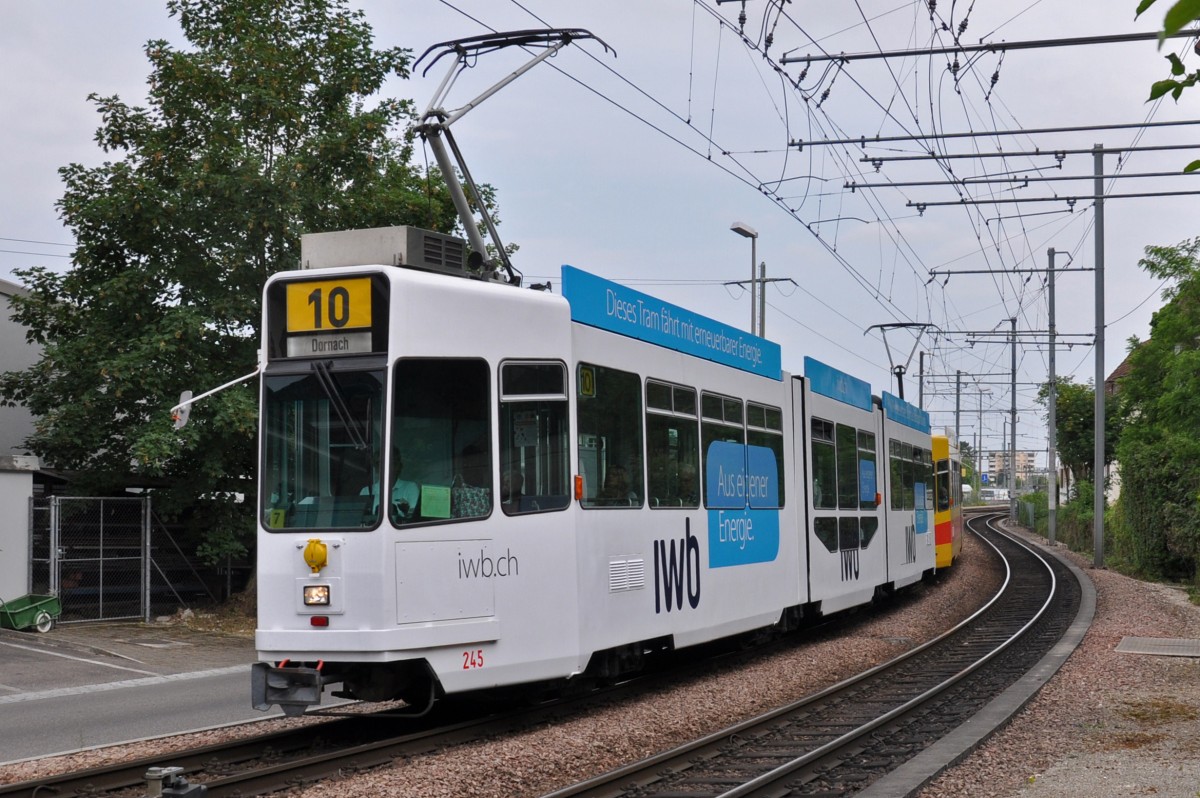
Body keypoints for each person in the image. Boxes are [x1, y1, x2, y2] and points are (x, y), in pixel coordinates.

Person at [392, 454, 420, 520]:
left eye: (393, 464)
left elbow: (414, 517)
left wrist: (406, 510)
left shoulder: (411, 487)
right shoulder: (366, 490)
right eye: (379, 463)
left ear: (399, 467)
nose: (387, 467)